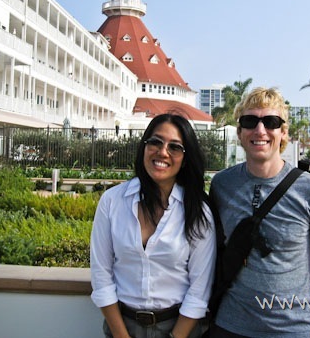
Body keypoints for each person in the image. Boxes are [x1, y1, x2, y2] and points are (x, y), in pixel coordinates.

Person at [209, 87, 310, 338]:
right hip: (230, 326)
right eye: (250, 121)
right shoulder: (222, 185)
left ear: (283, 132)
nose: (260, 130)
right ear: (239, 132)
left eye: (271, 122)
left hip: (294, 329)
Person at [90, 113, 216, 338]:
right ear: (144, 147)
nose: (163, 152)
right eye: (156, 142)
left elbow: (199, 290)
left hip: (179, 329)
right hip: (121, 327)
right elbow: (101, 276)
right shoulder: (112, 202)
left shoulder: (197, 211)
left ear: (185, 159)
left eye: (175, 147)